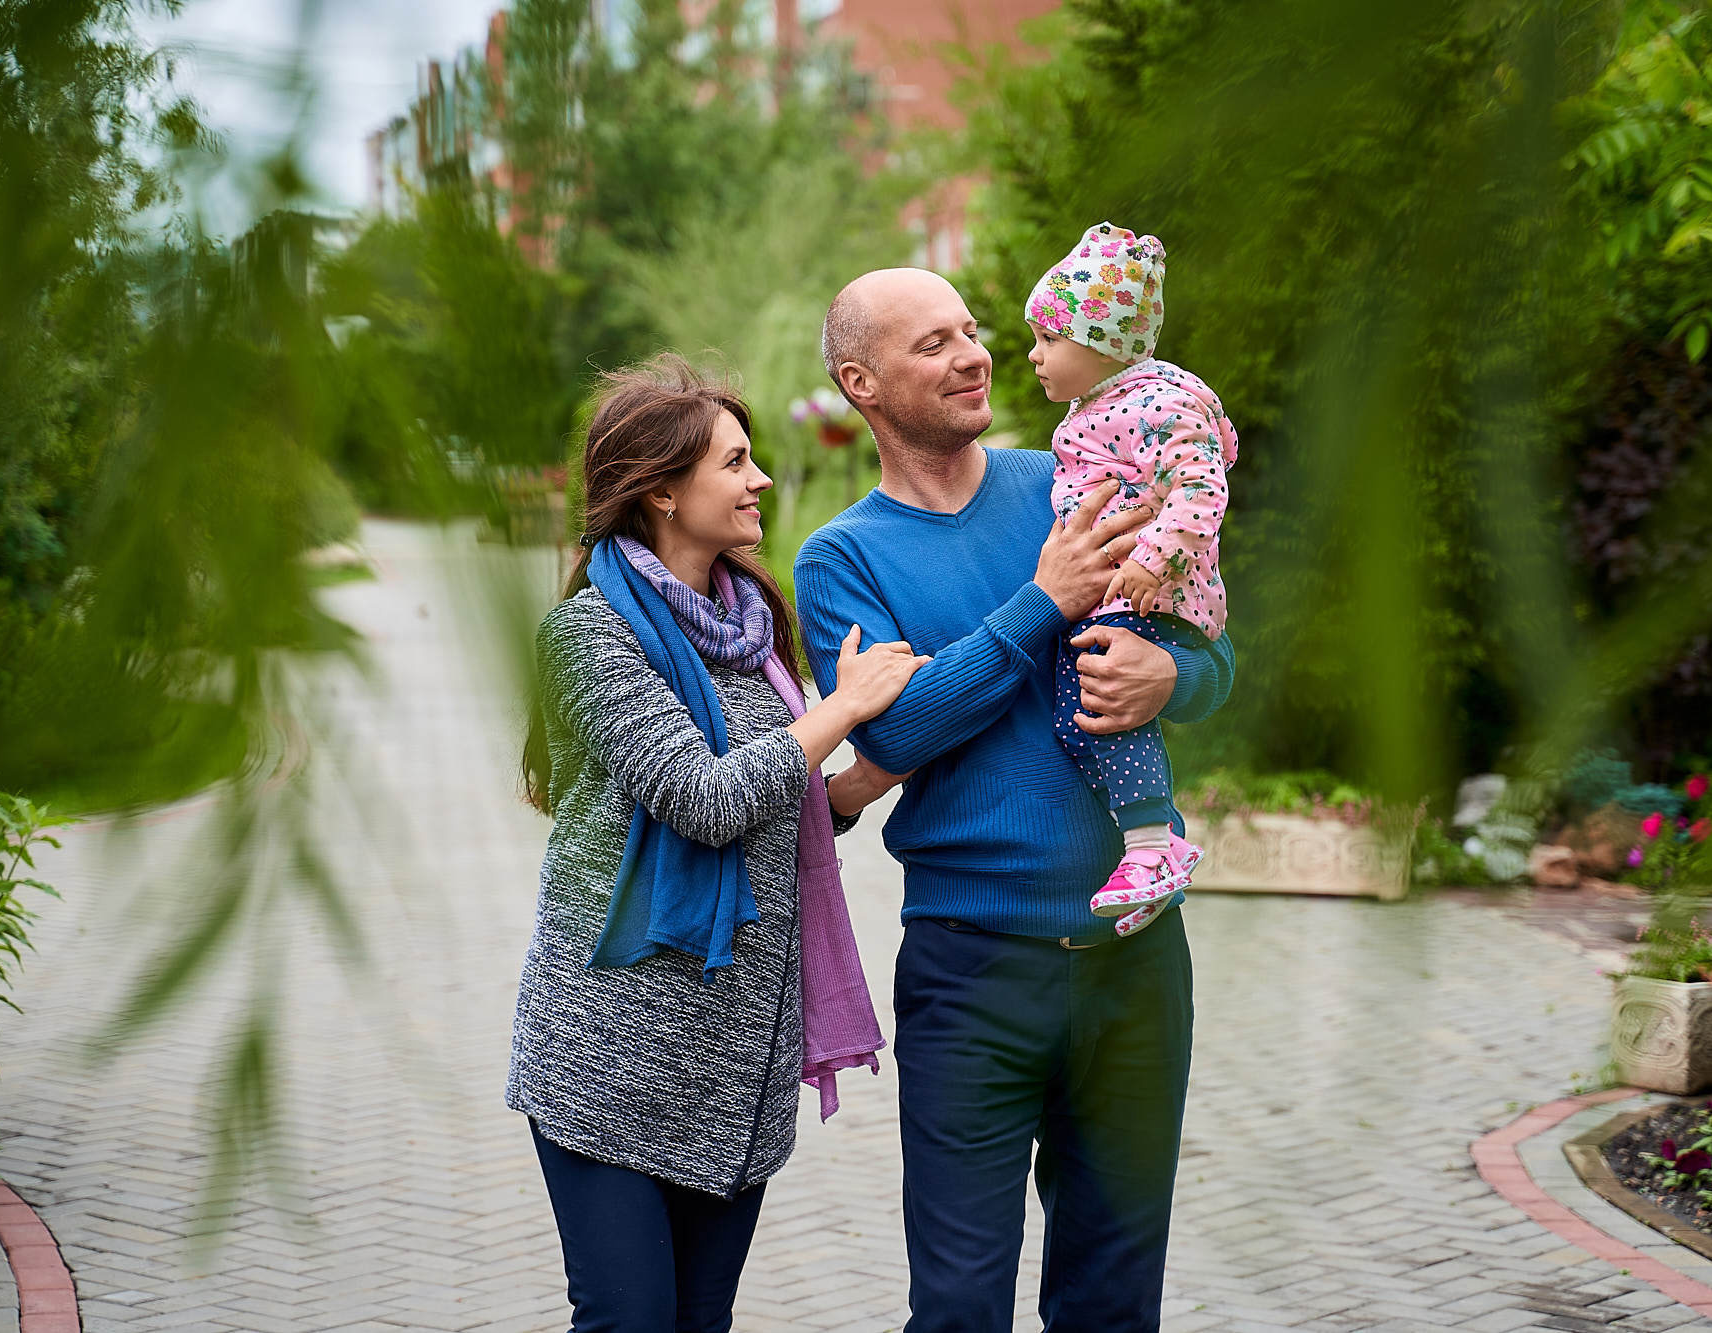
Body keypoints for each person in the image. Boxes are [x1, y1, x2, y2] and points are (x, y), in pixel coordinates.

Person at [794, 267, 1235, 1333]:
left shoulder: (1074, 475)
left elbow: (1210, 648)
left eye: (970, 330)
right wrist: (1043, 600)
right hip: (972, 975)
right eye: (930, 344)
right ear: (860, 382)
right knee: (956, 1311)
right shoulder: (842, 556)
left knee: (1113, 1306)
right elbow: (894, 729)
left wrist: (1173, 679)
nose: (971, 354)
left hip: (1136, 968)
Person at [507, 354, 921, 1333]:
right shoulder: (590, 633)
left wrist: (854, 786)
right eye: (734, 463)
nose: (760, 480)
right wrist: (841, 710)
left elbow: (767, 796)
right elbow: (699, 798)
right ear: (660, 490)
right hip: (609, 1057)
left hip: (733, 1062)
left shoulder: (750, 624)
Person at [1024, 222, 1238, 932]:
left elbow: (1202, 485)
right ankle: (1144, 858)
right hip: (1117, 594)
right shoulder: (1106, 406)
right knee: (1079, 718)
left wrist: (1153, 560)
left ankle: (1152, 844)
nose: (1033, 356)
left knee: (1102, 702)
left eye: (1048, 340)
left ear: (1100, 341)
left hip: (1144, 593)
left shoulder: (1157, 402)